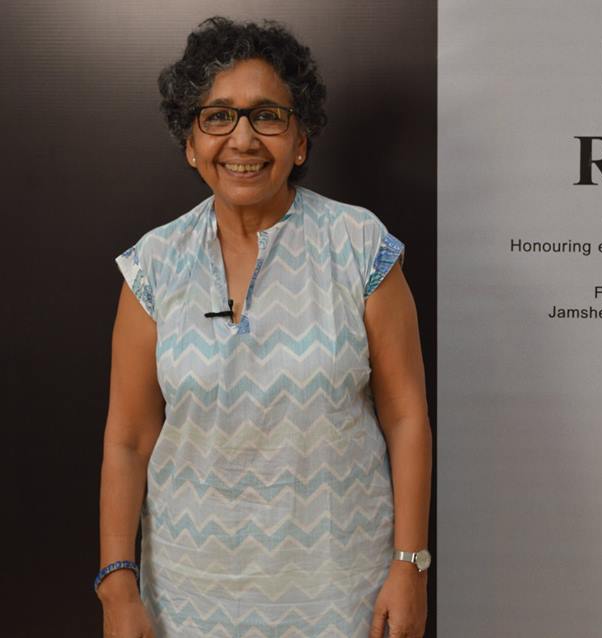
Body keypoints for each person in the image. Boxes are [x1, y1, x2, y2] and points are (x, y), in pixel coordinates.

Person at [95, 16, 432, 638]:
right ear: (191, 142)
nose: (243, 139)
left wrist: (410, 566)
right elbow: (129, 440)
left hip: (342, 595)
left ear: (300, 141)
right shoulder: (153, 265)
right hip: (187, 601)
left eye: (267, 116)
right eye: (218, 116)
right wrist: (118, 585)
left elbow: (406, 415)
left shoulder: (360, 245)